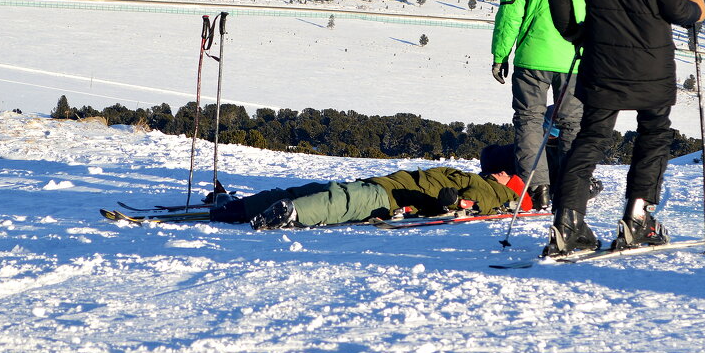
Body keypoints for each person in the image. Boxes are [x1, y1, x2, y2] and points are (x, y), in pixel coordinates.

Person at [543, 0, 705, 255]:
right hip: (651, 58)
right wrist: (696, 10)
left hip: (601, 54)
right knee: (653, 134)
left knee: (590, 136)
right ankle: (637, 219)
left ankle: (568, 223)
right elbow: (672, 7)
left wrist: (573, 30)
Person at [491, 0, 585, 211]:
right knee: (573, 124)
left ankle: (537, 189)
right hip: (575, 58)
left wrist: (500, 55)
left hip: (531, 58)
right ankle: (570, 190)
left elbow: (510, 12)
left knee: (529, 120)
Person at [205, 144, 528, 229]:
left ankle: (290, 213)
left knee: (340, 200)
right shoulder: (484, 182)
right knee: (321, 189)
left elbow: (469, 206)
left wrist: (454, 203)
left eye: (500, 171)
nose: (494, 172)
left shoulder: (496, 192)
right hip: (388, 185)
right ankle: (237, 207)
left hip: (390, 196)